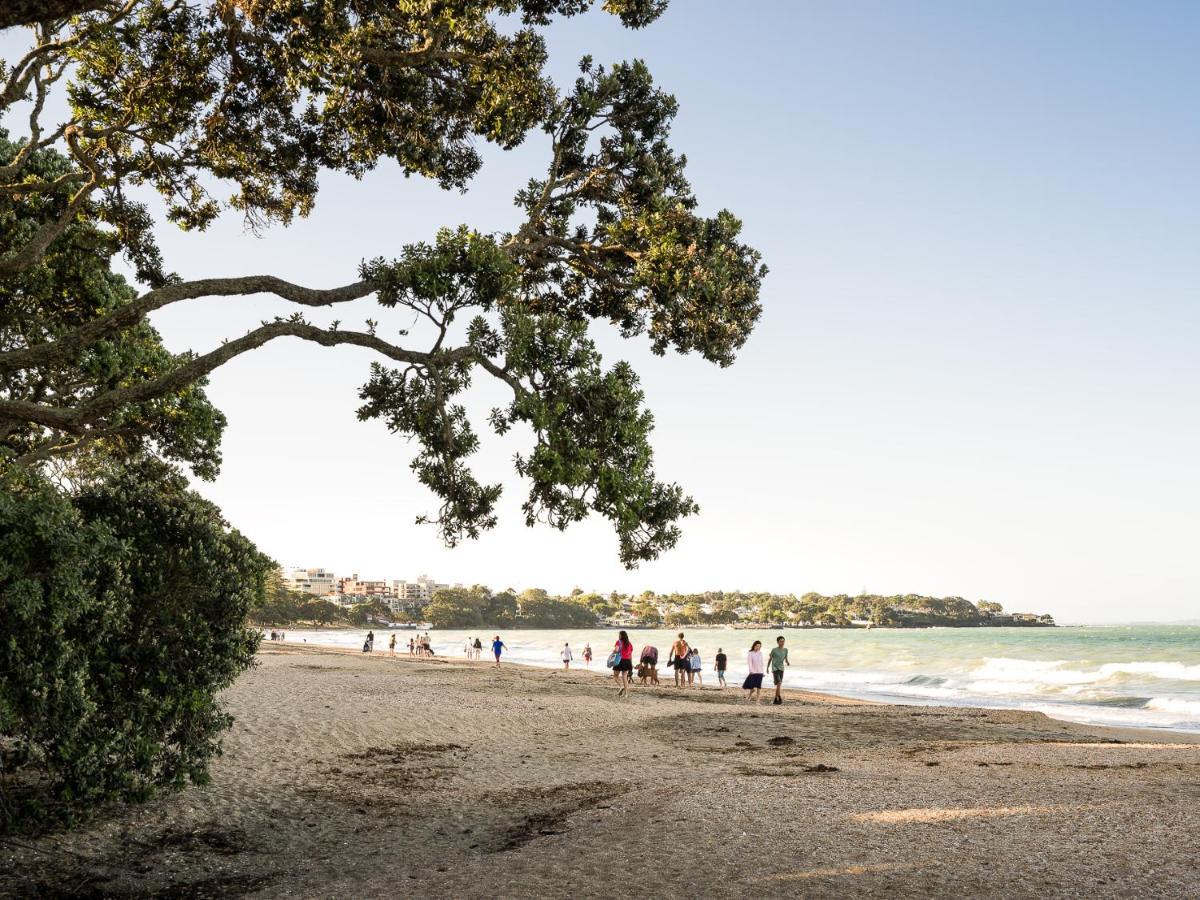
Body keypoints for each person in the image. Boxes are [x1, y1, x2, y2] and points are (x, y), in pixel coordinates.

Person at [768, 635, 790, 705]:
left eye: (783, 641)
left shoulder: (786, 650)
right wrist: (767, 668)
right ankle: (778, 698)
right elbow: (770, 659)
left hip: (781, 668)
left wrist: (787, 662)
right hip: (775, 668)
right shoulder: (774, 650)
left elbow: (785, 658)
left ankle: (776, 699)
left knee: (778, 684)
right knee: (779, 683)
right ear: (778, 642)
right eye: (781, 641)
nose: (782, 642)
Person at [612, 630, 634, 697]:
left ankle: (621, 686)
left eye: (619, 634)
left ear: (621, 635)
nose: (618, 636)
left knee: (615, 676)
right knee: (624, 677)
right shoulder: (629, 644)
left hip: (619, 660)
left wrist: (614, 651)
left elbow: (616, 650)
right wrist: (631, 663)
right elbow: (630, 655)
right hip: (627, 661)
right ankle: (626, 694)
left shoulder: (618, 642)